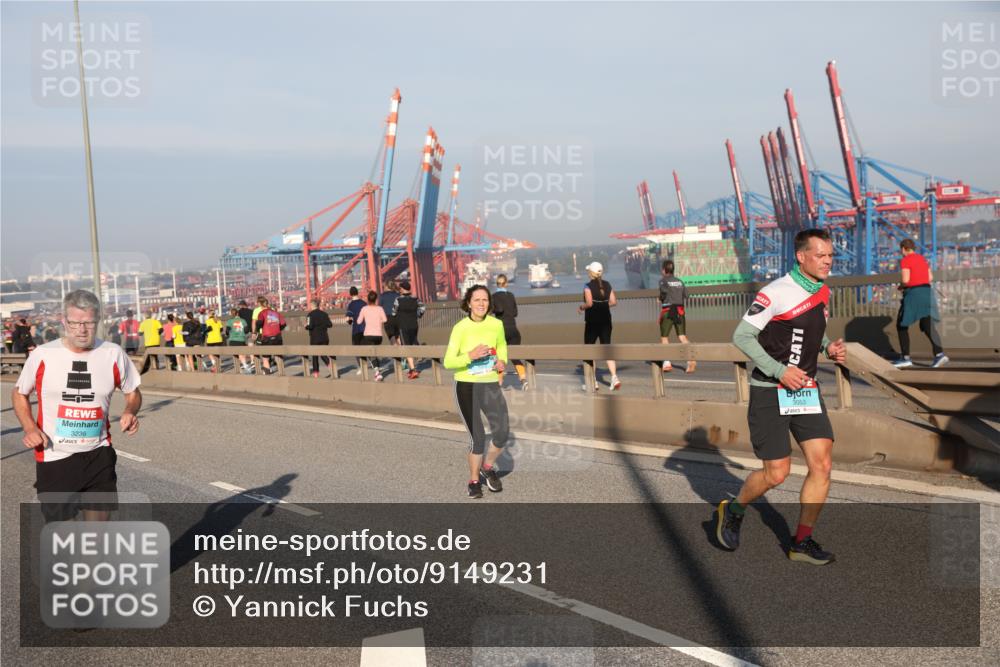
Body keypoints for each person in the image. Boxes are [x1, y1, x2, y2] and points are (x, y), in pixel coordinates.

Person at [718, 228, 847, 566]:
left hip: (805, 391)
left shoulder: (822, 292)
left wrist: (827, 346)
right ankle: (733, 509)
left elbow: (805, 333)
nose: (828, 261)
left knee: (822, 464)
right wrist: (780, 371)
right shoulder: (775, 292)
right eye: (821, 255)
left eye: (830, 255)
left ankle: (801, 542)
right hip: (771, 391)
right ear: (801, 256)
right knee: (777, 474)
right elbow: (742, 336)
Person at [11, 289, 141, 522]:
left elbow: (133, 391)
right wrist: (30, 427)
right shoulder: (43, 355)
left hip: (98, 454)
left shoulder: (113, 354)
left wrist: (130, 411)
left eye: (88, 323)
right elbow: (20, 393)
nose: (81, 330)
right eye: (74, 323)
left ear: (98, 319)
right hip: (54, 457)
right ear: (64, 321)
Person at [444, 285, 510, 499]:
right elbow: (448, 361)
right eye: (477, 300)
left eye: (485, 300)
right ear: (469, 303)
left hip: (490, 384)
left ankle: (487, 467)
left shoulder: (496, 325)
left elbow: (502, 347)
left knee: (501, 433)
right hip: (466, 385)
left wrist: (502, 362)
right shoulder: (460, 328)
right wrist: (470, 355)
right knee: (478, 438)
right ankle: (473, 480)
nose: (481, 303)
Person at [892, 238, 948, 369]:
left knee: (901, 324)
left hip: (914, 294)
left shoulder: (905, 260)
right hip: (927, 293)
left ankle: (905, 358)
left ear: (903, 249)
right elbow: (930, 278)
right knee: (927, 324)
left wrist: (901, 286)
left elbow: (906, 279)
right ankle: (939, 354)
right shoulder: (922, 258)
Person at [578, 261, 620, 391]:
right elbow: (614, 302)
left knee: (589, 351)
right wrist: (603, 305)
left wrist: (581, 307)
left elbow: (589, 303)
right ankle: (614, 378)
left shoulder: (587, 285)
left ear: (590, 273)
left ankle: (593, 381)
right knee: (606, 348)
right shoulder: (607, 284)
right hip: (606, 320)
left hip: (592, 321)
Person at [658, 259, 696, 374]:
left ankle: (667, 362)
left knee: (664, 337)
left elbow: (663, 293)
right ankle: (691, 359)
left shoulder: (663, 281)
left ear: (664, 270)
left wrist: (660, 298)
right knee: (682, 337)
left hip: (668, 311)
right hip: (680, 311)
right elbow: (687, 295)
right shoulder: (680, 281)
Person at [492, 274, 528, 390]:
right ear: (506, 283)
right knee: (515, 357)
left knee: (500, 358)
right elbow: (515, 313)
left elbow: (498, 310)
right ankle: (523, 380)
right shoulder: (511, 295)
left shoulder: (493, 297)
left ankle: (499, 383)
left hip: (501, 330)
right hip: (513, 329)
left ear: (496, 284)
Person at [392, 280, 425, 379]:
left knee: (406, 346)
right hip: (414, 325)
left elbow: (393, 312)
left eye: (400, 288)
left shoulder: (398, 300)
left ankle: (413, 369)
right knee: (413, 343)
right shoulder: (416, 299)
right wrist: (418, 314)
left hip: (403, 326)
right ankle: (414, 364)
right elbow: (423, 308)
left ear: (402, 289)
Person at [356, 290, 388, 382]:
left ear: (367, 299)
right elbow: (385, 320)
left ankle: (376, 372)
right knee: (373, 353)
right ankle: (377, 367)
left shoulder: (364, 309)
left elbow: (358, 321)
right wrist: (378, 322)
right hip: (378, 336)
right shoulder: (380, 309)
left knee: (364, 349)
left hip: (368, 335)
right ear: (376, 299)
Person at [255, 298, 286, 374]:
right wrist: (278, 329)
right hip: (278, 337)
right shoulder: (276, 313)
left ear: (261, 305)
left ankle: (267, 371)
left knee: (265, 357)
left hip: (266, 337)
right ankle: (281, 372)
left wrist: (257, 330)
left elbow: (259, 322)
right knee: (278, 355)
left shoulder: (262, 313)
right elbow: (283, 324)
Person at [305, 299, 333, 378]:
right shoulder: (324, 314)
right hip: (324, 337)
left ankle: (316, 373)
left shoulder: (310, 315)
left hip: (315, 338)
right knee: (323, 354)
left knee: (315, 356)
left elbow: (309, 326)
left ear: (312, 305)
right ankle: (331, 367)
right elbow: (330, 324)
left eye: (310, 305)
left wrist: (305, 326)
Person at [345, 286, 367, 375]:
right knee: (366, 347)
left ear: (350, 294)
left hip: (356, 329)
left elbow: (348, 319)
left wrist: (350, 321)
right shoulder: (364, 303)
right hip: (365, 328)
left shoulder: (351, 305)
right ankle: (374, 365)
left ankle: (361, 367)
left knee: (356, 348)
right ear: (357, 292)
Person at [225, 307, 252, 373]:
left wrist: (230, 333)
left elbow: (227, 331)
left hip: (232, 340)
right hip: (241, 339)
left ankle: (239, 369)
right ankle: (245, 366)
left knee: (235, 355)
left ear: (231, 314)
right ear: (238, 313)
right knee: (241, 354)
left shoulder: (229, 321)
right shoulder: (243, 320)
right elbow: (246, 331)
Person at [379, 280, 400, 346]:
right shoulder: (398, 295)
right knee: (398, 336)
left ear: (387, 286)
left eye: (384, 286)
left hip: (388, 318)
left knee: (391, 336)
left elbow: (380, 308)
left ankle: (396, 354)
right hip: (398, 317)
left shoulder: (382, 296)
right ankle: (402, 352)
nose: (383, 287)